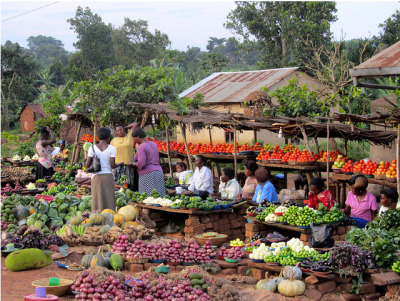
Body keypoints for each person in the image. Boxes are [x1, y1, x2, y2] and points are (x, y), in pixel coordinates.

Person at [84, 127, 124, 211]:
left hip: (96, 177)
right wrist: (120, 164)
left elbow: (87, 165)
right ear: (108, 137)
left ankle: (97, 217)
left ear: (98, 137)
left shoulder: (92, 148)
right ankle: (110, 216)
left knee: (97, 199)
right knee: (109, 199)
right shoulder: (112, 148)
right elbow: (112, 165)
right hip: (108, 176)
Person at [129, 127, 165, 197]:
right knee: (159, 196)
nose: (134, 140)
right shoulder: (153, 144)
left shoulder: (141, 147)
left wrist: (133, 164)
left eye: (134, 138)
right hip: (158, 172)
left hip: (148, 174)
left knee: (147, 198)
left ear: (138, 136)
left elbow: (142, 164)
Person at [110, 123, 138, 190]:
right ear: (116, 132)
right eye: (118, 130)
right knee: (117, 186)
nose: (119, 131)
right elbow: (110, 154)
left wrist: (125, 127)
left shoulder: (129, 137)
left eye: (121, 129)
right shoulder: (113, 141)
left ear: (124, 130)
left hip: (128, 166)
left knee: (128, 186)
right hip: (117, 167)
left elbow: (135, 124)